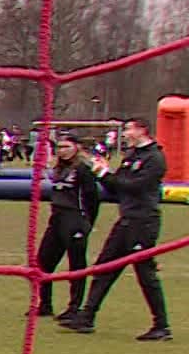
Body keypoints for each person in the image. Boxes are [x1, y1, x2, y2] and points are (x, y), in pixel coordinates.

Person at [61, 117, 170, 340]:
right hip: (126, 220)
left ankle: (162, 326)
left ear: (142, 130)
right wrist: (100, 172)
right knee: (104, 267)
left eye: (129, 129)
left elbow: (135, 187)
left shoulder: (155, 158)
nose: (125, 134)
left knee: (145, 274)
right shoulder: (132, 156)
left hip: (143, 222)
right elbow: (116, 187)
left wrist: (105, 175)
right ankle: (87, 317)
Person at [34, 135, 101, 321]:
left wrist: (88, 223)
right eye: (60, 147)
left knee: (76, 265)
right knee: (43, 261)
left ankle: (74, 307)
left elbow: (92, 198)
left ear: (76, 147)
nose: (62, 150)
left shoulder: (82, 169)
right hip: (57, 218)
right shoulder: (58, 169)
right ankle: (45, 304)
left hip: (75, 219)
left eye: (66, 146)